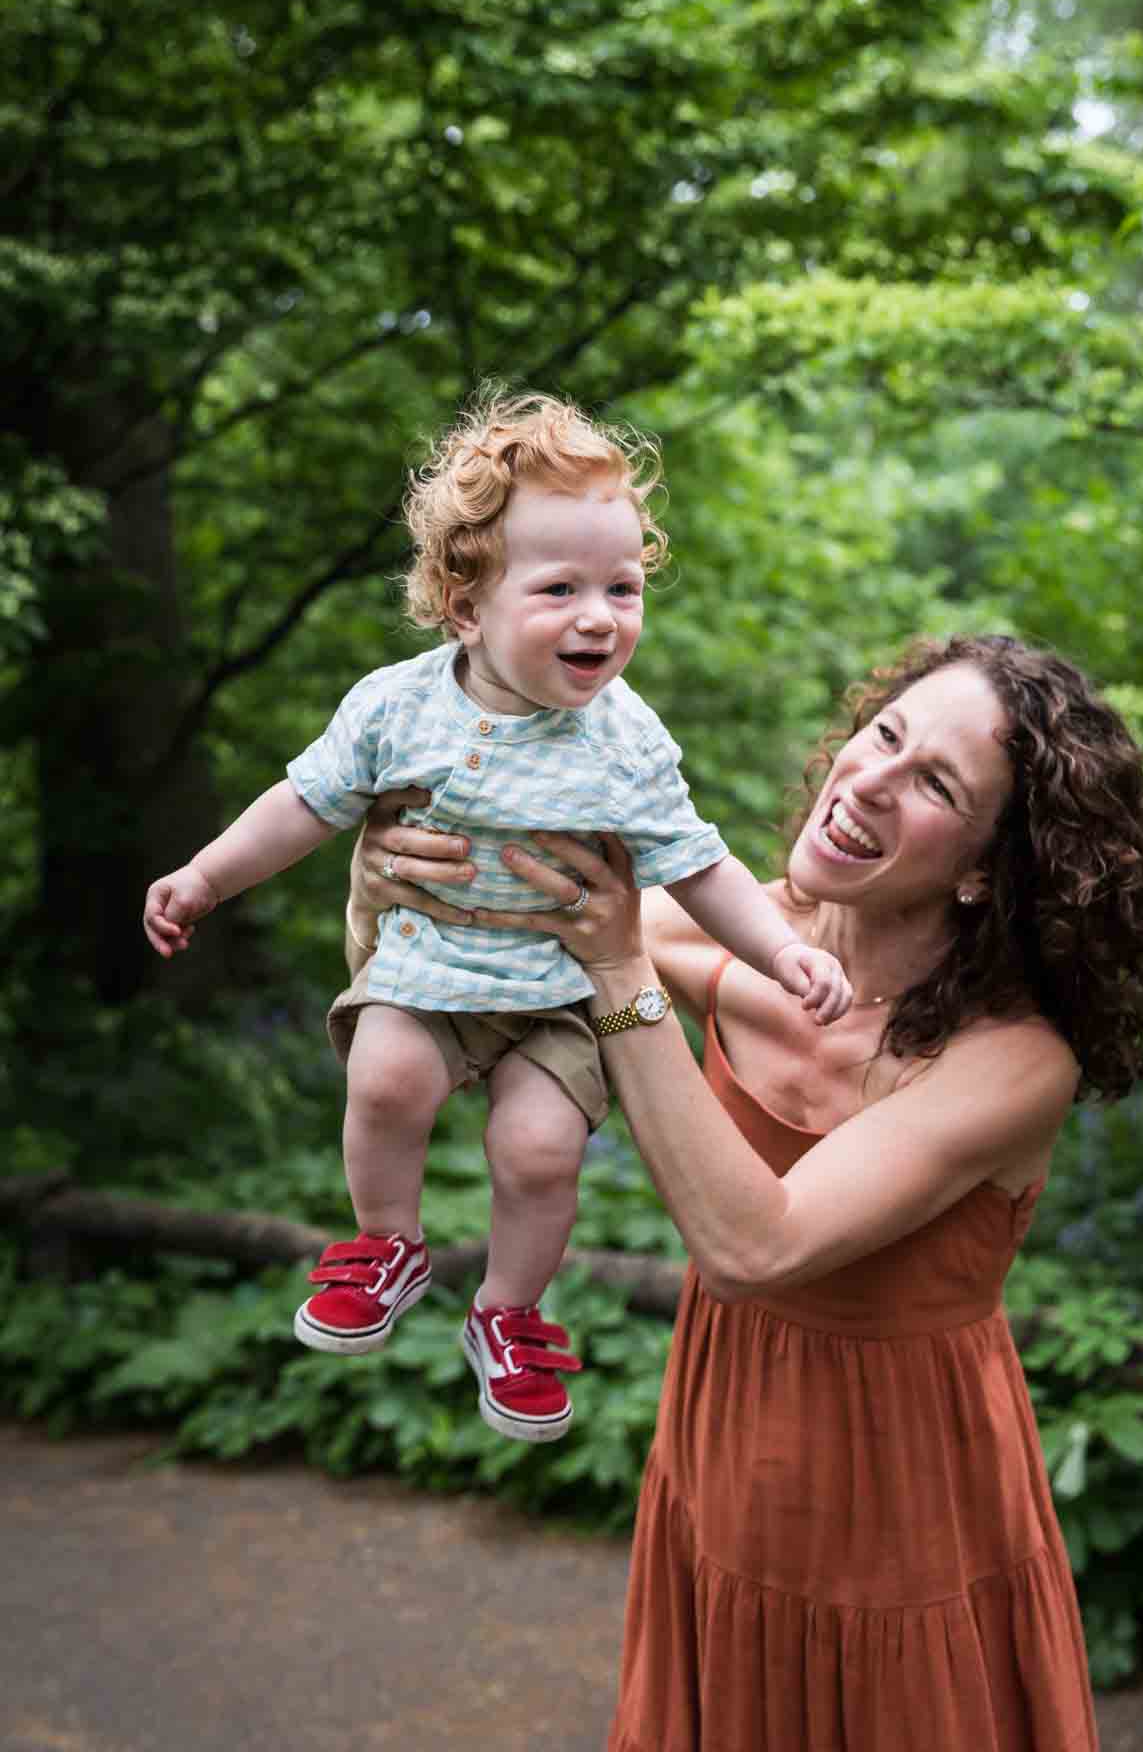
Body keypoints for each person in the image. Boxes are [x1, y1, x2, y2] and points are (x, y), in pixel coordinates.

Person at [348, 632, 1143, 1751]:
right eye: (883, 733)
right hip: (724, 1426)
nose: (869, 779)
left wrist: (619, 976)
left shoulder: (1016, 1059)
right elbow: (462, 956)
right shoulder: (735, 921)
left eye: (935, 783)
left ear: (987, 867)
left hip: (907, 1478)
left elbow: (756, 1243)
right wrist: (386, 876)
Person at [143, 390, 849, 1446]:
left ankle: (510, 1312)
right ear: (467, 605)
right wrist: (203, 875)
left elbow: (696, 862)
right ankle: (386, 1241)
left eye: (623, 586)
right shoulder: (395, 706)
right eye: (560, 587)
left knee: (537, 1151)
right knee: (384, 1077)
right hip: (427, 967)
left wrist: (784, 947)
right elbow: (304, 803)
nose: (600, 615)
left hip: (555, 995)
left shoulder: (625, 736)